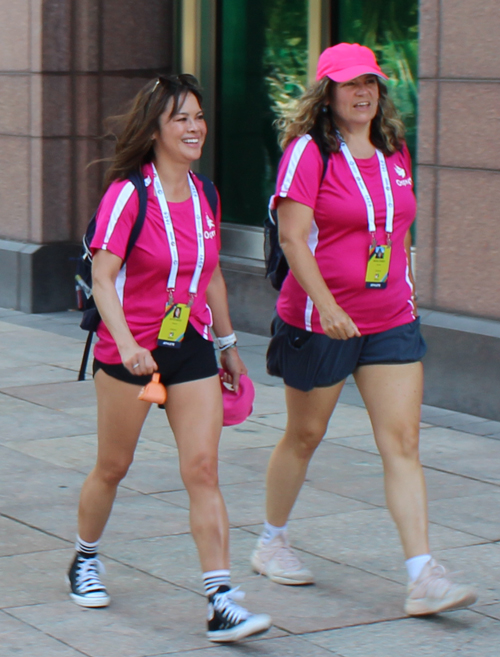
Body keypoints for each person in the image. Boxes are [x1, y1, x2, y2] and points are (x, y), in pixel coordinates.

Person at [251, 43, 477, 616]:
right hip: (321, 320)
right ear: (326, 93)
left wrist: (407, 277)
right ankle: (271, 540)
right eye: (350, 84)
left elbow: (397, 225)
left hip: (390, 319)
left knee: (402, 442)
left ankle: (423, 574)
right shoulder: (308, 153)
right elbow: (292, 238)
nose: (363, 93)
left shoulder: (393, 149)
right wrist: (326, 305)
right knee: (305, 436)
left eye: (370, 83)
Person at [67, 74, 271, 643]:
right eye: (180, 117)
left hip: (190, 346)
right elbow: (103, 279)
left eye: (198, 116)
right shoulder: (129, 194)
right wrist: (130, 344)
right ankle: (85, 557)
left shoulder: (205, 194)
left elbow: (210, 277)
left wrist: (229, 347)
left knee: (202, 469)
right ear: (155, 129)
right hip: (127, 353)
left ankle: (221, 598)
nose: (194, 127)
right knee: (113, 466)